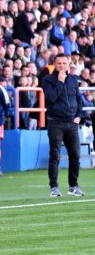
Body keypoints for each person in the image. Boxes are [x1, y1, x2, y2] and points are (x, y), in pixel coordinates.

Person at [42, 53, 84, 197]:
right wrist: (59, 82)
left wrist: (78, 115)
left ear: (68, 64)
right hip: (55, 123)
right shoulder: (48, 79)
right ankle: (54, 187)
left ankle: (73, 186)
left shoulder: (73, 79)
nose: (62, 66)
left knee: (75, 156)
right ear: (54, 64)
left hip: (72, 123)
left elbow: (79, 100)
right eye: (59, 63)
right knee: (55, 155)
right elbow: (50, 98)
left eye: (64, 63)